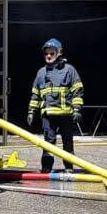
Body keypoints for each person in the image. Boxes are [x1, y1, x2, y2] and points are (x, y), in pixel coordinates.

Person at [28, 38, 84, 173]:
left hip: (66, 114)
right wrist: (31, 111)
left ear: (59, 53)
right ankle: (46, 168)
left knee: (68, 144)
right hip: (48, 115)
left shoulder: (69, 70)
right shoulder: (41, 73)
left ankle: (69, 168)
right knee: (48, 144)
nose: (48, 56)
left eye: (51, 53)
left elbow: (78, 90)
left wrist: (77, 110)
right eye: (46, 53)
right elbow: (35, 94)